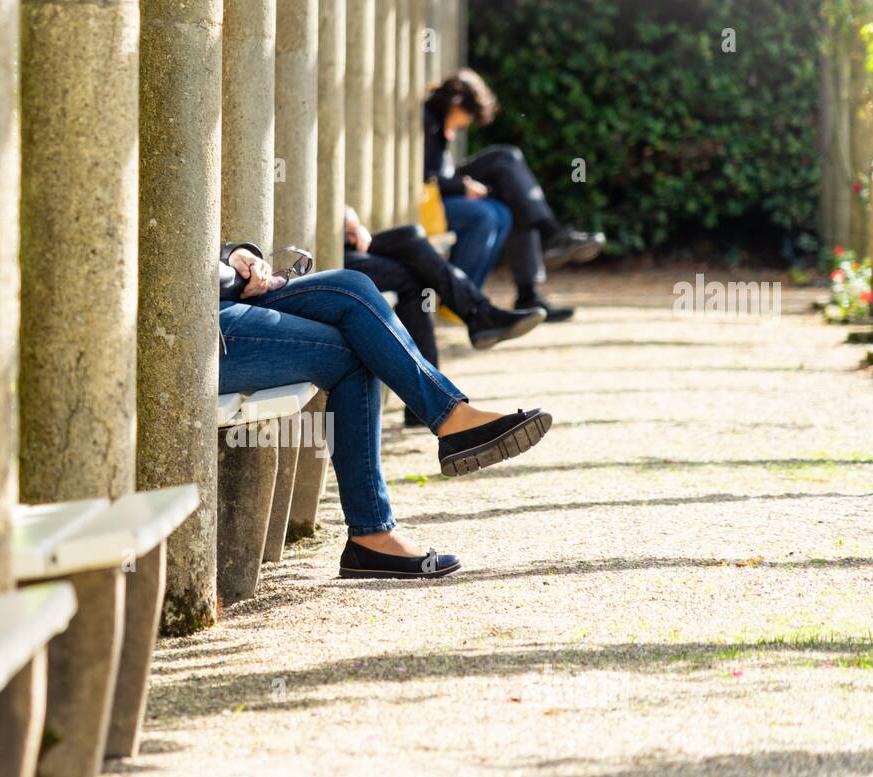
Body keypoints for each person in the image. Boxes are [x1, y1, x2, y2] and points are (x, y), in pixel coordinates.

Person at [218, 241, 553, 579]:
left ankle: (450, 421)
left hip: (224, 294)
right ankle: (372, 532)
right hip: (203, 325)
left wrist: (235, 255)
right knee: (353, 353)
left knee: (354, 286)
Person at [423, 69, 605, 322]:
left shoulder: (439, 124)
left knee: (513, 190)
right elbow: (423, 176)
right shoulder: (427, 121)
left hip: (445, 189)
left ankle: (530, 290)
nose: (466, 124)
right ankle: (549, 239)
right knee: (502, 174)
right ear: (455, 103)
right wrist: (460, 186)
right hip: (431, 199)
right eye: (468, 115)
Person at [342, 206, 544, 428]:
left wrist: (348, 219)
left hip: (343, 242)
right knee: (415, 273)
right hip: (323, 257)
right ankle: (478, 315)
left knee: (412, 236)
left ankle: (427, 404)